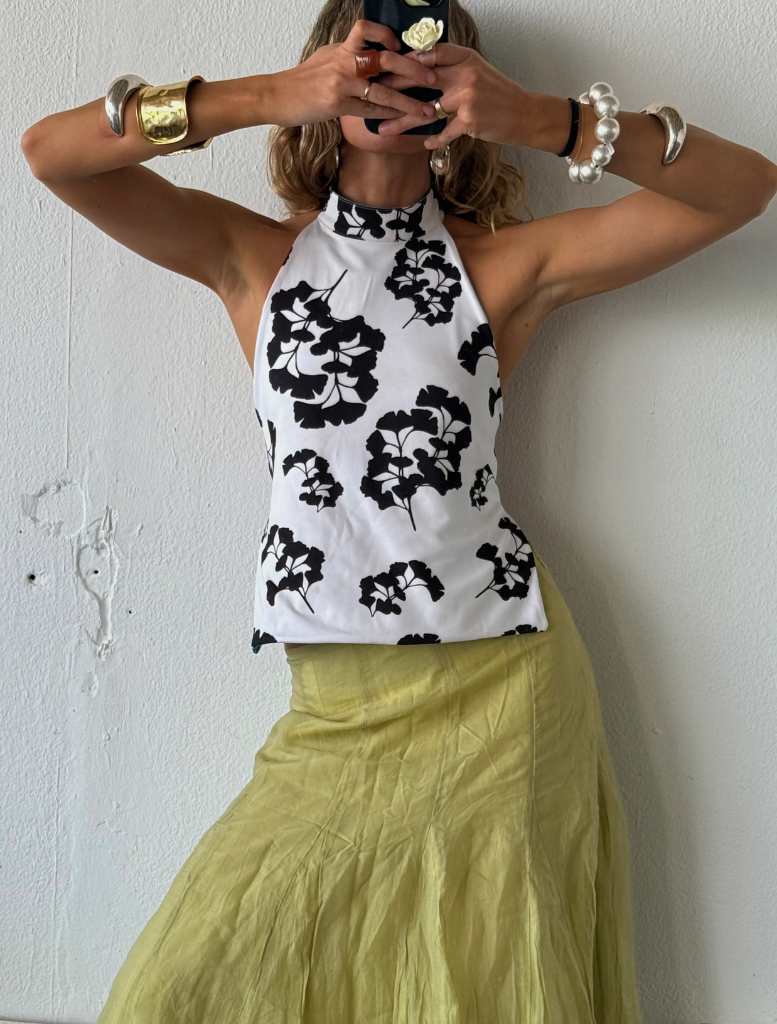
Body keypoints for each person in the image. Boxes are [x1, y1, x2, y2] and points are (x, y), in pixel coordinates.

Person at [21, 0, 776, 1019]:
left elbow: (744, 188)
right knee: (183, 985)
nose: (392, 75)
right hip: (332, 705)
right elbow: (52, 154)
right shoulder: (256, 258)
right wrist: (267, 99)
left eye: (424, 60)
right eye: (366, 54)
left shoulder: (501, 266)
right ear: (330, 69)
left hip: (501, 690)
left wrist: (543, 119)